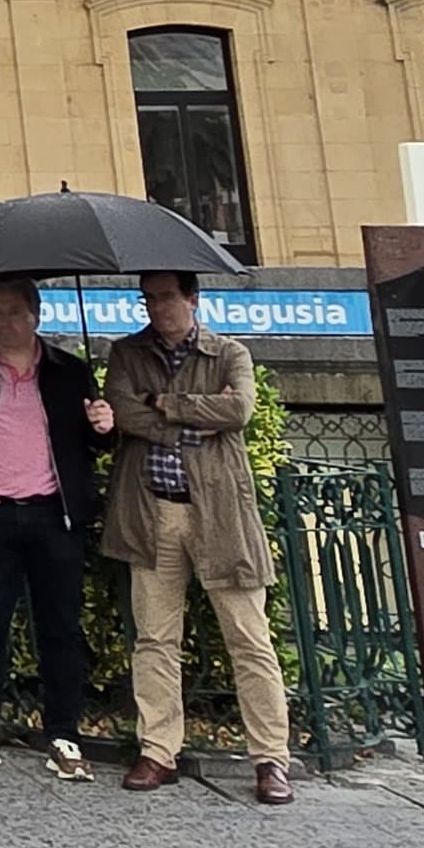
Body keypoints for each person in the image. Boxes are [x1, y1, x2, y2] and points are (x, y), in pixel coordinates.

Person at [104, 270, 294, 805]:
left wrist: (164, 402)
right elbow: (123, 411)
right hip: (152, 512)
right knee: (155, 638)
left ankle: (271, 758)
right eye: (148, 298)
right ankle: (158, 749)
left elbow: (239, 410)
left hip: (219, 515)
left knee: (249, 637)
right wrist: (193, 414)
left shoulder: (229, 353)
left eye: (166, 297)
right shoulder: (127, 353)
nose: (156, 307)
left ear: (192, 299)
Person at [0, 273, 113, 780]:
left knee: (60, 628)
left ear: (36, 314)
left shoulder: (69, 372)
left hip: (55, 514)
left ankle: (64, 735)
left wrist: (103, 425)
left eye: (14, 311)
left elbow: (93, 443)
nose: (4, 321)